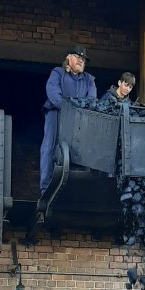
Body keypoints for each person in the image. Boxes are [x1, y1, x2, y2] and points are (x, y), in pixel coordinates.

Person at [39, 45, 96, 193]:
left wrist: (79, 113)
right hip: (56, 113)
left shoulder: (89, 80)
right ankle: (45, 186)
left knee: (81, 151)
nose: (81, 61)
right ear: (68, 58)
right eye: (78, 57)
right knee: (49, 146)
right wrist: (67, 108)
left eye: (83, 59)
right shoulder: (57, 73)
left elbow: (92, 100)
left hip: (79, 119)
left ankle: (75, 189)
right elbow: (52, 92)